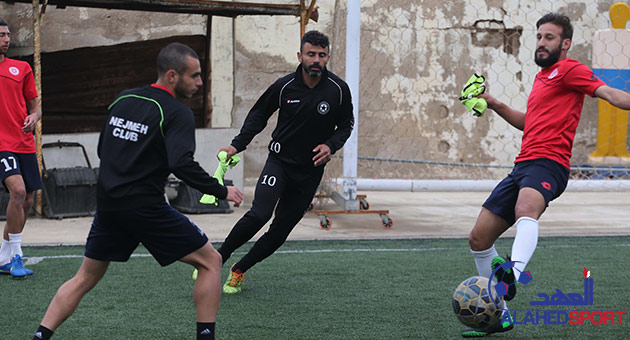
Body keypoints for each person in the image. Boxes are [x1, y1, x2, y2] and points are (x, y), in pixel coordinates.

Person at [31, 43, 243, 340]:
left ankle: (40, 336)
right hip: (145, 207)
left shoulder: (124, 98)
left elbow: (105, 149)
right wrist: (220, 189)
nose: (199, 83)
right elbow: (180, 163)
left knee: (84, 277)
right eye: (194, 76)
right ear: (172, 75)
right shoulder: (177, 112)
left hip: (108, 206)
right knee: (211, 262)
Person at [464, 13, 630, 337]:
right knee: (479, 238)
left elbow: (610, 94)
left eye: (549, 38)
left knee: (526, 208)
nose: (541, 42)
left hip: (550, 164)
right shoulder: (543, 78)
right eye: (539, 36)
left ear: (565, 43)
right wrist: (494, 102)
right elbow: (531, 123)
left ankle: (512, 273)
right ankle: (501, 316)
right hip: (523, 165)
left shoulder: (570, 70)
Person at [216, 30, 354, 294]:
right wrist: (236, 145)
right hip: (279, 163)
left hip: (310, 172)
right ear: (300, 55)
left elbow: (346, 124)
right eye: (311, 54)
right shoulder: (284, 86)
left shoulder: (338, 90)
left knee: (279, 231)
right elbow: (258, 115)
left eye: (321, 55)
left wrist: (331, 145)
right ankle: (218, 257)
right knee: (259, 214)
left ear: (328, 57)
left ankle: (239, 269)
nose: (316, 60)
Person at [0, 17, 42, 279]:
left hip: (24, 142)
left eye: (7, 35)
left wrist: (34, 117)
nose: (7, 39)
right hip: (2, 143)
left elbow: (35, 106)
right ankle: (16, 256)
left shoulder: (22, 68)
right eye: (1, 35)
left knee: (26, 200)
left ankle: (4, 256)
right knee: (17, 191)